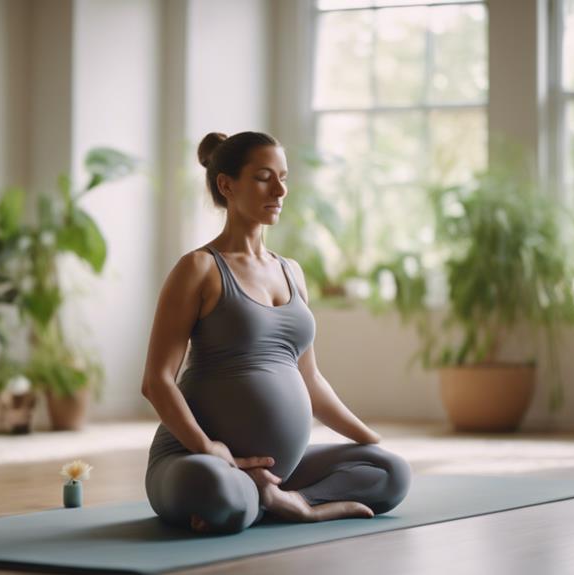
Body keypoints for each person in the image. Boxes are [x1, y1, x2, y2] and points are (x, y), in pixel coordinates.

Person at [141, 131, 412, 534]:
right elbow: (157, 382)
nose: (281, 189)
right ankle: (257, 498)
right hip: (195, 461)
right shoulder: (198, 268)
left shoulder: (291, 272)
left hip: (284, 468)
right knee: (218, 491)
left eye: (284, 177)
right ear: (226, 185)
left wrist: (368, 439)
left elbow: (310, 379)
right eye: (265, 177)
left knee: (391, 472)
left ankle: (282, 500)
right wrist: (210, 449)